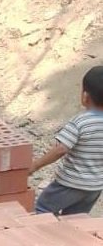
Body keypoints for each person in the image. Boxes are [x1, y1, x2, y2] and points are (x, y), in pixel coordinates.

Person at [31, 66, 103, 215]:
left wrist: (35, 165)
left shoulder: (80, 122)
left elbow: (61, 149)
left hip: (71, 184)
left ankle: (43, 237)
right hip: (94, 187)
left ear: (85, 96)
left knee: (44, 209)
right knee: (75, 218)